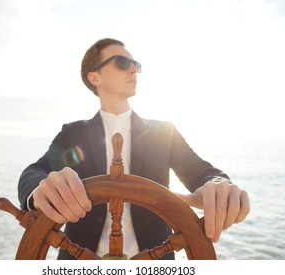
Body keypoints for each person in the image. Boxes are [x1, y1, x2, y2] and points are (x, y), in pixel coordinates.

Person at [18, 38, 250, 260]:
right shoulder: (73, 133)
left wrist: (220, 186)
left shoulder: (164, 132)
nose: (133, 70)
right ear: (94, 76)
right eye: (122, 62)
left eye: (136, 64)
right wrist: (42, 189)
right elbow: (34, 172)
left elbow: (202, 172)